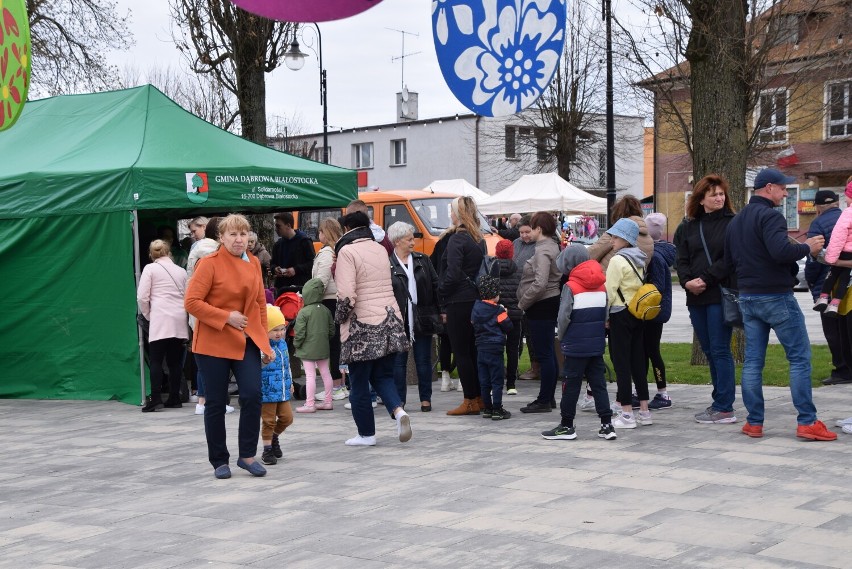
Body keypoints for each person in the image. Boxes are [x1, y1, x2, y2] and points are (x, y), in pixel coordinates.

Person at [724, 168, 835, 441]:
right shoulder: (771, 216)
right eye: (784, 188)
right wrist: (808, 247)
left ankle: (754, 422)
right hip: (775, 296)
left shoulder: (736, 221)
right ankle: (807, 422)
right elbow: (781, 252)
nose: (786, 193)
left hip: (748, 296)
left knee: (752, 362)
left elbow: (728, 261)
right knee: (799, 358)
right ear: (769, 187)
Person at [185, 213, 274, 479]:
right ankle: (219, 461)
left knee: (252, 394)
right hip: (213, 342)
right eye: (233, 234)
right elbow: (192, 302)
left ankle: (247, 455)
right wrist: (226, 317)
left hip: (245, 341)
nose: (239, 239)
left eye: (243, 234)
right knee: (215, 402)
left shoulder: (254, 263)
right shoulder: (209, 263)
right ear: (221, 238)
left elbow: (259, 304)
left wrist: (264, 343)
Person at [335, 211, 412, 446]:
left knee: (358, 382)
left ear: (347, 228)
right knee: (383, 375)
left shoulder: (346, 252)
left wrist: (340, 318)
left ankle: (366, 434)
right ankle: (399, 412)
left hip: (361, 326)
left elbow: (347, 294)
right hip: (390, 320)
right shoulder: (380, 249)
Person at [674, 175, 738, 424]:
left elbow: (730, 260)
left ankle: (725, 406)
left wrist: (705, 279)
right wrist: (687, 281)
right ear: (701, 199)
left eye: (721, 194)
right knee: (710, 350)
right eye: (714, 194)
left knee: (720, 349)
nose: (719, 198)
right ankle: (719, 400)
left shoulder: (732, 223)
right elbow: (682, 259)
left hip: (719, 293)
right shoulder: (689, 226)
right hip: (696, 296)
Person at [542, 254, 615, 441]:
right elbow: (605, 313)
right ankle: (607, 425)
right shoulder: (601, 284)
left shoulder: (570, 287)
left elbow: (563, 317)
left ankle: (567, 425)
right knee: (598, 384)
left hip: (575, 345)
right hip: (596, 344)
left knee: (571, 385)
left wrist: (562, 335)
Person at [437, 196, 487, 416]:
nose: (450, 214)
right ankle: (478, 397)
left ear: (458, 213)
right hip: (474, 298)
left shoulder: (458, 239)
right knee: (473, 351)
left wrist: (441, 291)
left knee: (461, 351)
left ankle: (469, 399)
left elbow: (453, 272)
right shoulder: (478, 237)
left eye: (452, 211)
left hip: (458, 300)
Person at [604, 218, 652, 429]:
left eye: (615, 237)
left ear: (624, 238)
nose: (612, 240)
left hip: (619, 313)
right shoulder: (639, 258)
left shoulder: (617, 261)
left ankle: (626, 413)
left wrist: (604, 317)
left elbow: (609, 291)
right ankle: (644, 410)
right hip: (637, 312)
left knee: (622, 363)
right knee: (638, 362)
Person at [389, 221, 441, 412]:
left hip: (422, 316)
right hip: (398, 319)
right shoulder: (388, 264)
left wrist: (440, 311)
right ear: (397, 241)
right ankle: (399, 401)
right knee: (398, 363)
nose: (413, 242)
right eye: (409, 239)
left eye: (413, 238)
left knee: (423, 360)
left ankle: (425, 399)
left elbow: (435, 286)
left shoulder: (423, 260)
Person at [805, 189, 852, 385]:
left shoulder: (817, 223)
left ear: (817, 207)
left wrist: (812, 282)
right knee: (845, 329)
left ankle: (842, 370)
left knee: (833, 332)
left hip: (829, 284)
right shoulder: (845, 215)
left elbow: (815, 257)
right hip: (848, 285)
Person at [137, 239, 189, 412]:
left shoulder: (150, 269)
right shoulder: (181, 271)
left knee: (157, 360)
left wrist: (149, 315)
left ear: (151, 254)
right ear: (169, 252)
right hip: (179, 318)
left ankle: (156, 398)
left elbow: (142, 297)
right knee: (175, 362)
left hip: (160, 318)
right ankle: (175, 397)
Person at [518, 212, 562, 414]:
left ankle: (544, 399)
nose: (530, 231)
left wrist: (523, 302)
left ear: (539, 230)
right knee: (548, 352)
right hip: (546, 303)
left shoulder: (544, 250)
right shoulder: (552, 246)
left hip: (541, 304)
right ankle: (548, 397)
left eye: (532, 228)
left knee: (544, 353)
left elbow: (541, 282)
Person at [642, 213, 677, 410]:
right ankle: (651, 390)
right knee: (648, 350)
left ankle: (662, 392)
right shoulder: (661, 252)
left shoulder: (654, 256)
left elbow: (657, 286)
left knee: (651, 350)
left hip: (653, 311)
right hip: (657, 310)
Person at [311, 217, 346, 401]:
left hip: (327, 301)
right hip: (336, 299)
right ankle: (340, 384)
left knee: (332, 344)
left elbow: (321, 280)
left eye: (321, 231)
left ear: (326, 232)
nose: (319, 235)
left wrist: (310, 297)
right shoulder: (338, 249)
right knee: (338, 343)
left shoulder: (326, 252)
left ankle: (337, 385)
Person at [471, 275, 513, 420]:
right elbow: (508, 327)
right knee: (497, 379)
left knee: (484, 380)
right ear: (494, 295)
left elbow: (472, 323)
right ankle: (497, 408)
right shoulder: (498, 311)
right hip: (495, 348)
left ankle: (487, 408)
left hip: (481, 348)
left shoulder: (476, 308)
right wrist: (505, 313)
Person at [293, 278, 336, 413]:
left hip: (307, 349)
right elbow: (331, 330)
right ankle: (328, 401)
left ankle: (310, 404)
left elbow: (299, 333)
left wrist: (296, 344)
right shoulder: (325, 310)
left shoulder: (304, 312)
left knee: (310, 375)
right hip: (323, 347)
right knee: (326, 373)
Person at [260, 305, 294, 466]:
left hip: (282, 389)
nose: (279, 333)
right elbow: (257, 366)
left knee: (287, 418)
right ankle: (267, 450)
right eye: (274, 330)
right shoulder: (260, 346)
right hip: (267, 390)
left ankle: (274, 437)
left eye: (282, 329)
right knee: (268, 420)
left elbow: (287, 365)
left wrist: (291, 382)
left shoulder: (283, 344)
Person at [588, 195, 654, 271]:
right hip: (631, 280)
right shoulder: (649, 239)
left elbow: (591, 254)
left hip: (607, 278)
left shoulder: (617, 232)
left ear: (618, 213)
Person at [815, 181, 852, 315]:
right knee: (844, 279)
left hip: (844, 252)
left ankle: (824, 298)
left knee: (832, 275)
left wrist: (831, 257)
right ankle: (835, 305)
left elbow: (839, 236)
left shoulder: (848, 213)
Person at [430, 232, 458, 393]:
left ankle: (446, 377)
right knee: (462, 341)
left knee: (446, 340)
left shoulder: (441, 243)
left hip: (442, 297)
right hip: (458, 296)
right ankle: (460, 380)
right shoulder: (461, 242)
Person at [513, 216, 540, 381]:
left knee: (531, 333)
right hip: (515, 293)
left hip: (532, 295)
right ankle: (513, 366)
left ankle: (536, 367)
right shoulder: (516, 243)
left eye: (527, 232)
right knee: (516, 332)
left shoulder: (540, 246)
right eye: (521, 232)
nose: (524, 235)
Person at [494, 239, 522, 395]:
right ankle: (511, 384)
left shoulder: (492, 269)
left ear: (497, 252)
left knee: (496, 349)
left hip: (496, 313)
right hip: (514, 314)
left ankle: (496, 382)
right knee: (512, 349)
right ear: (512, 253)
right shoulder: (518, 270)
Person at [271, 212, 315, 294]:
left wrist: (295, 270)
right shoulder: (278, 244)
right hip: (282, 289)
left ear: (288, 225)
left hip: (300, 288)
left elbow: (312, 263)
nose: (276, 229)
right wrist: (275, 269)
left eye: (278, 226)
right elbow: (272, 263)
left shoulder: (304, 241)